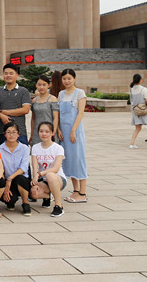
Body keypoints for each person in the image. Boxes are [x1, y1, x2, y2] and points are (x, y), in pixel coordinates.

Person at [58, 69, 88, 204]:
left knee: (78, 160)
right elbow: (58, 114)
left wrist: (73, 130)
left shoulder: (80, 93)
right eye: (64, 78)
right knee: (69, 160)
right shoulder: (61, 94)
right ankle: (75, 191)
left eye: (69, 78)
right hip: (63, 133)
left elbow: (80, 113)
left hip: (75, 132)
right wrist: (58, 129)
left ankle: (82, 193)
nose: (67, 81)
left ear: (74, 79)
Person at [30, 122, 67, 217]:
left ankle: (58, 206)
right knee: (34, 192)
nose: (44, 134)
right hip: (44, 180)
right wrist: (35, 177)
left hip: (58, 179)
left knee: (50, 174)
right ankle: (48, 196)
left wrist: (40, 174)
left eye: (47, 131)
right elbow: (35, 166)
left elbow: (55, 169)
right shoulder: (35, 147)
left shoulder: (58, 148)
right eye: (41, 131)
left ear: (52, 133)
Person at [0, 124, 31, 216]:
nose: (11, 135)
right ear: (4, 134)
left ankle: (25, 203)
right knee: (9, 199)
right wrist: (5, 184)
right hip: (6, 179)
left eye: (14, 132)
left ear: (18, 134)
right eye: (8, 132)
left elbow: (24, 168)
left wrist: (10, 179)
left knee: (20, 178)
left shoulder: (24, 148)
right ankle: (10, 202)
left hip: (20, 180)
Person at [0, 64, 31, 145]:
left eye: (11, 73)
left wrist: (6, 112)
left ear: (16, 75)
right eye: (6, 73)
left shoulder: (23, 91)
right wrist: (1, 115)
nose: (8, 75)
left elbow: (25, 110)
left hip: (20, 132)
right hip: (3, 132)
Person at [29, 74, 60, 147]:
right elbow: (33, 118)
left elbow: (56, 118)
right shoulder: (34, 101)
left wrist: (53, 131)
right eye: (39, 85)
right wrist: (32, 134)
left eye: (44, 85)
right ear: (36, 85)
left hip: (49, 132)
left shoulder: (53, 99)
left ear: (48, 85)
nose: (41, 87)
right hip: (37, 132)